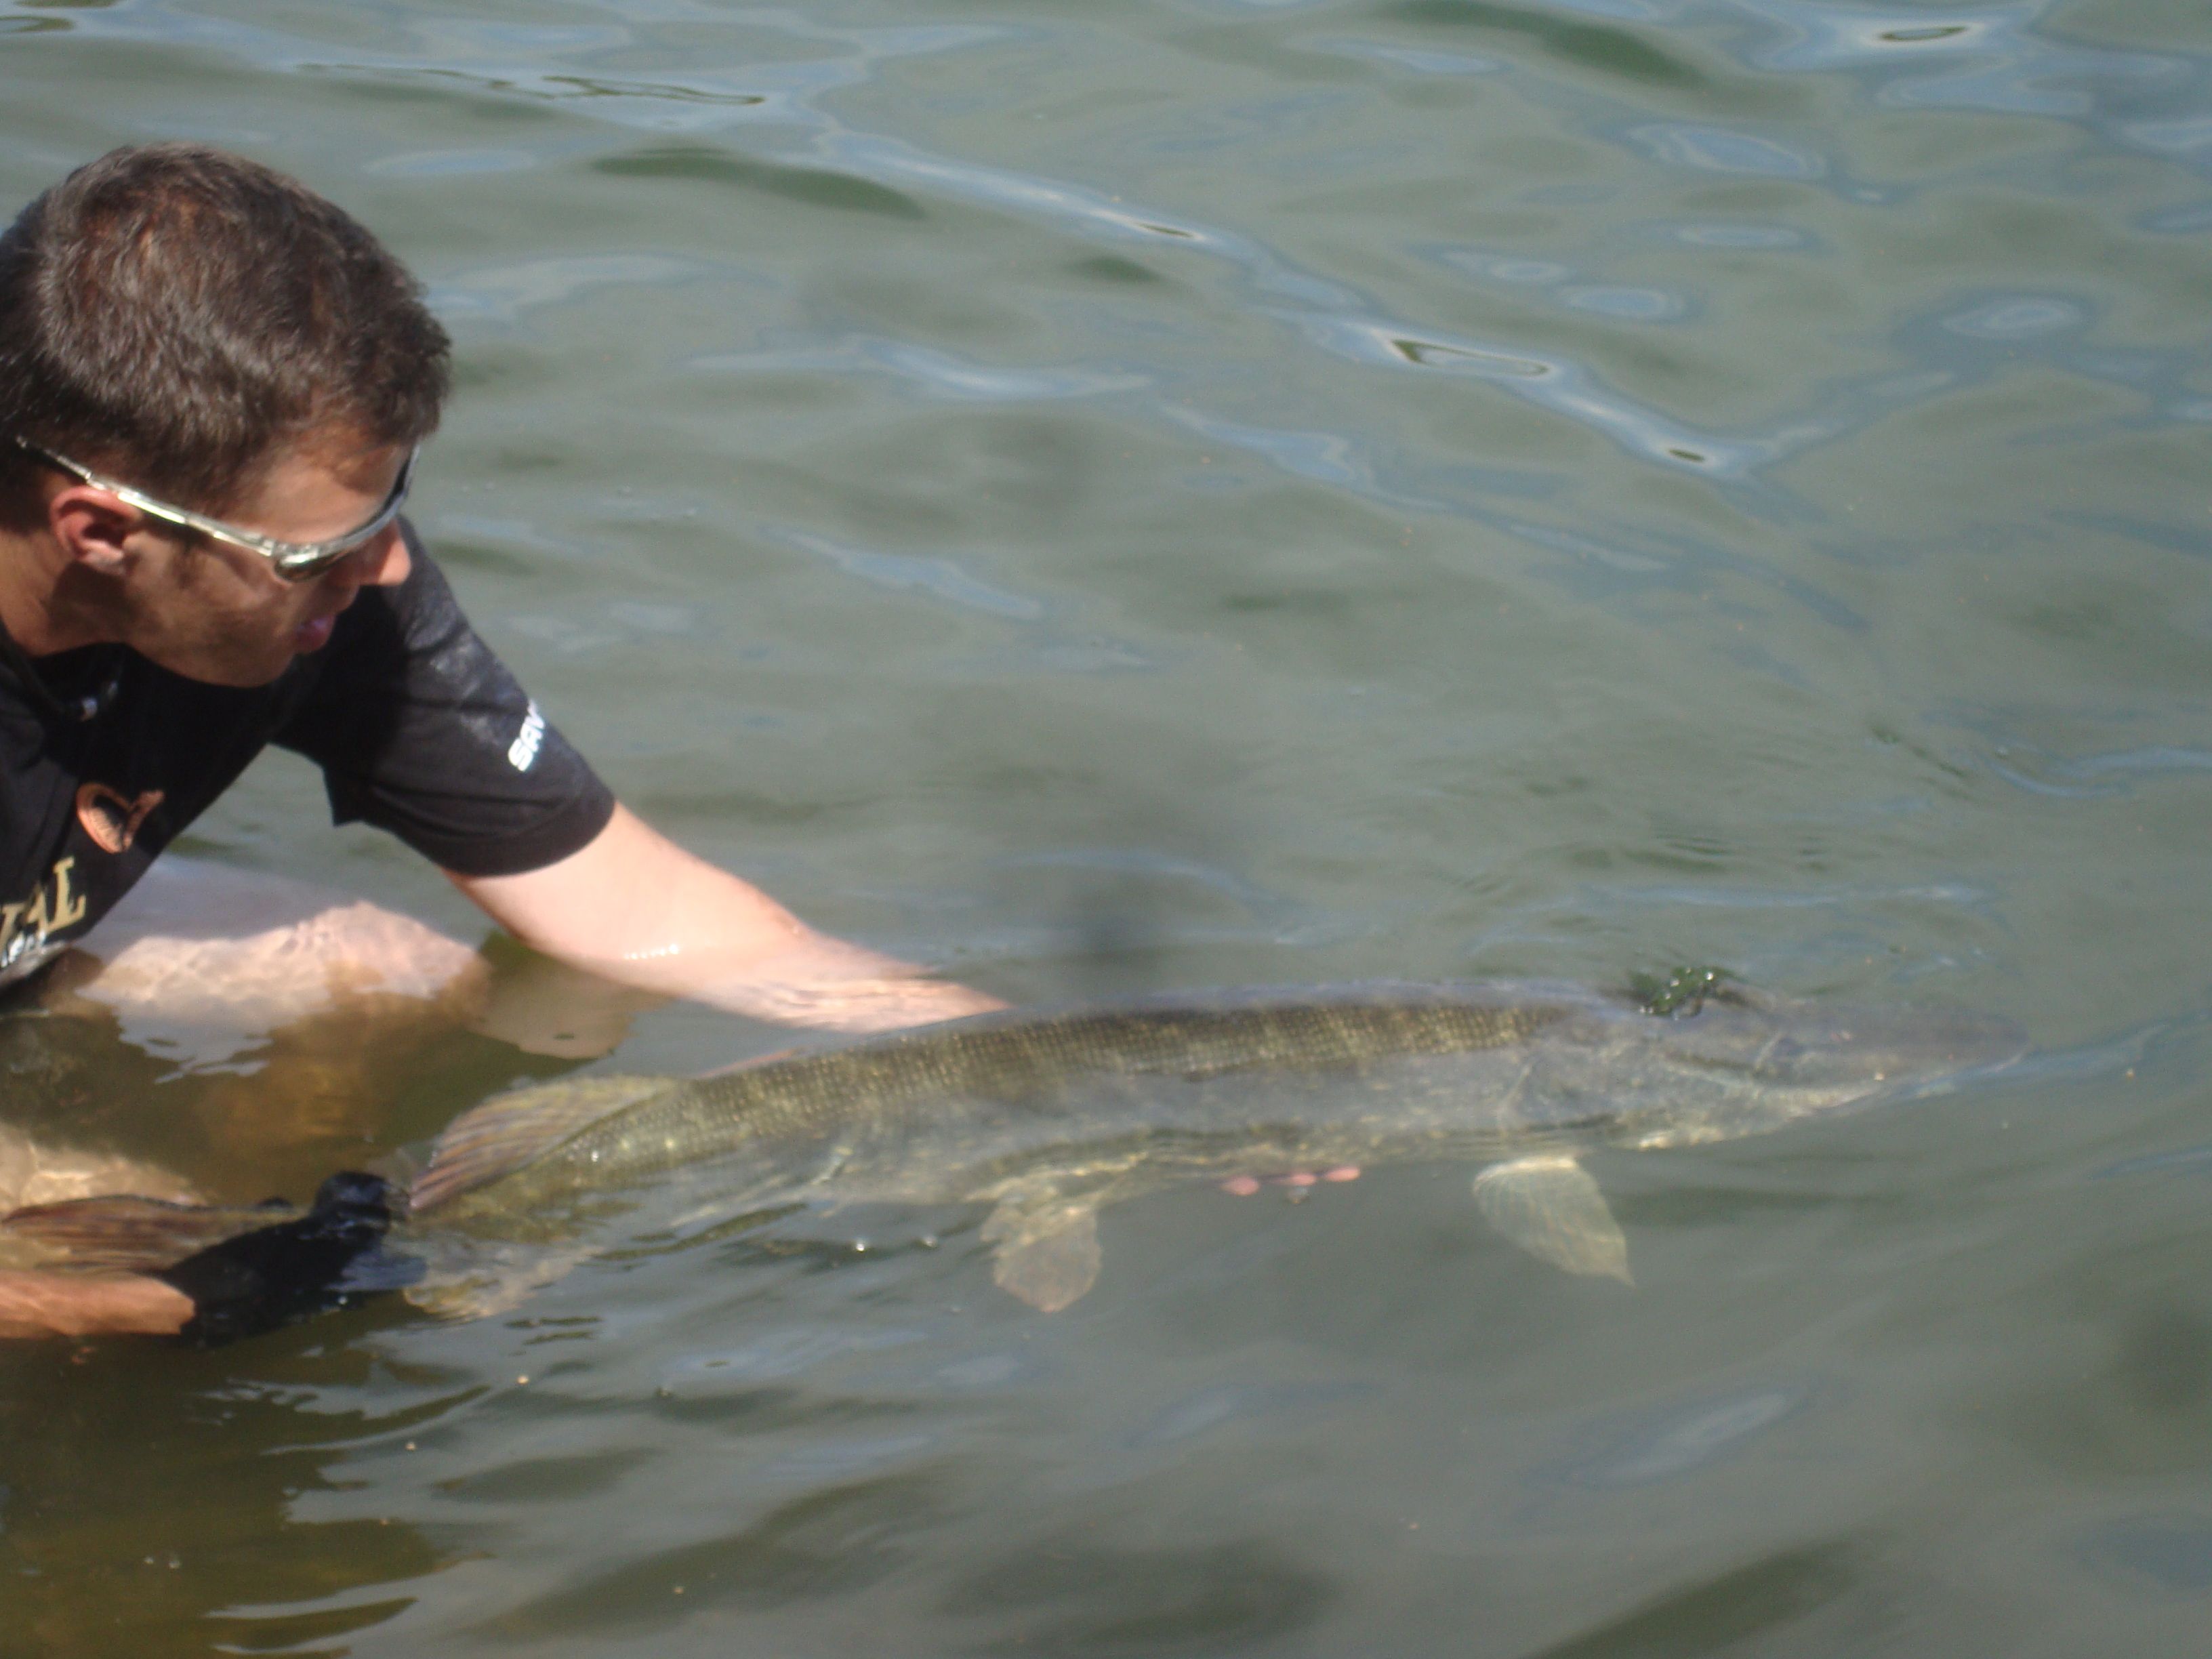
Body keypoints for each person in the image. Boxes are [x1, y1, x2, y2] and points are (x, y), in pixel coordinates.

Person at [0, 144, 1002, 1338]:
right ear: (100, 532)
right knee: (156, 1240)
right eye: (317, 555)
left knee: (398, 979)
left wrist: (1042, 1069)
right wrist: (150, 1304)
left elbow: (621, 904)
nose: (377, 571)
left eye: (388, 507)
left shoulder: (326, 592)